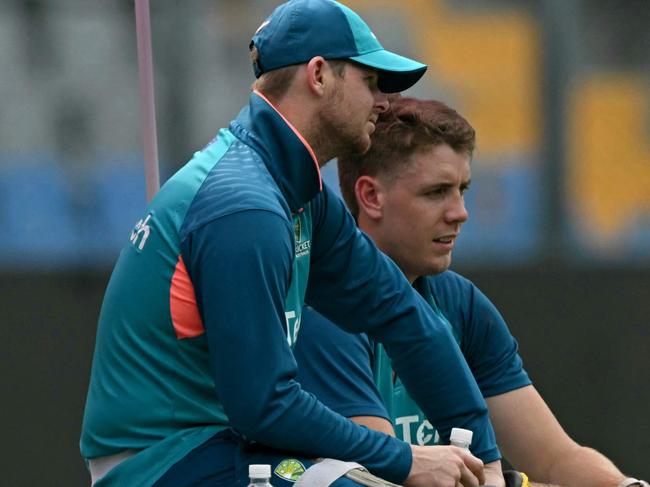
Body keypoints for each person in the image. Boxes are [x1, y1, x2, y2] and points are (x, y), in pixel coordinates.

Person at [80, 1, 506, 486]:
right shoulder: (247, 208)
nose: (383, 102)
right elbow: (265, 405)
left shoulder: (296, 192)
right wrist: (407, 459)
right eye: (370, 82)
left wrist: (484, 459)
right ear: (319, 75)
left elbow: (401, 313)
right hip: (165, 461)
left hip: (224, 447)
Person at [294, 96, 647, 487]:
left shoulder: (460, 303)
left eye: (462, 189)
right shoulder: (324, 308)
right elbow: (381, 477)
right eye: (436, 192)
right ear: (371, 196)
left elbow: (555, 457)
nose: (460, 212)